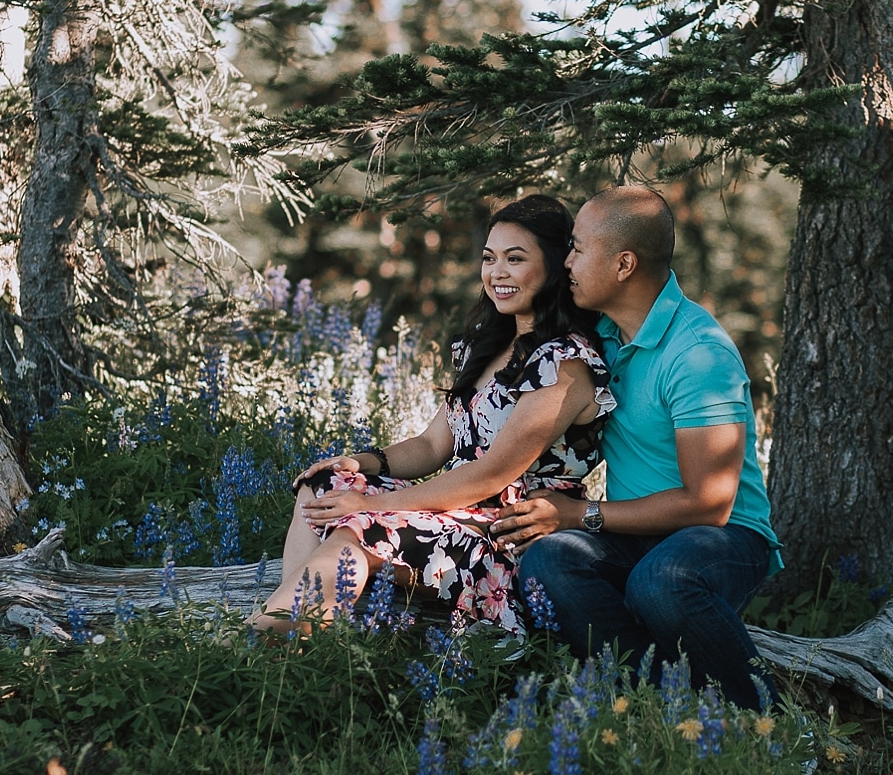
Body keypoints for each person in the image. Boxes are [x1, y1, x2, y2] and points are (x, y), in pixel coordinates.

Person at [253, 194, 614, 634]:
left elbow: (491, 475)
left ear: (556, 266)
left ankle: (271, 635)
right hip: (455, 512)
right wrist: (360, 464)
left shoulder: (564, 364)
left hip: (506, 536)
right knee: (322, 485)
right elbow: (430, 446)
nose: (496, 273)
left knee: (360, 525)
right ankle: (304, 623)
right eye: (489, 258)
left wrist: (370, 505)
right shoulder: (486, 347)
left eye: (514, 259)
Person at [498, 186, 781, 708]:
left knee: (661, 581)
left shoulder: (698, 354)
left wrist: (579, 514)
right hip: (639, 532)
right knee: (546, 563)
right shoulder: (599, 334)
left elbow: (709, 504)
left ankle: (777, 724)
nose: (567, 261)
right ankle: (659, 710)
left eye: (579, 249)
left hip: (725, 538)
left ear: (624, 264)